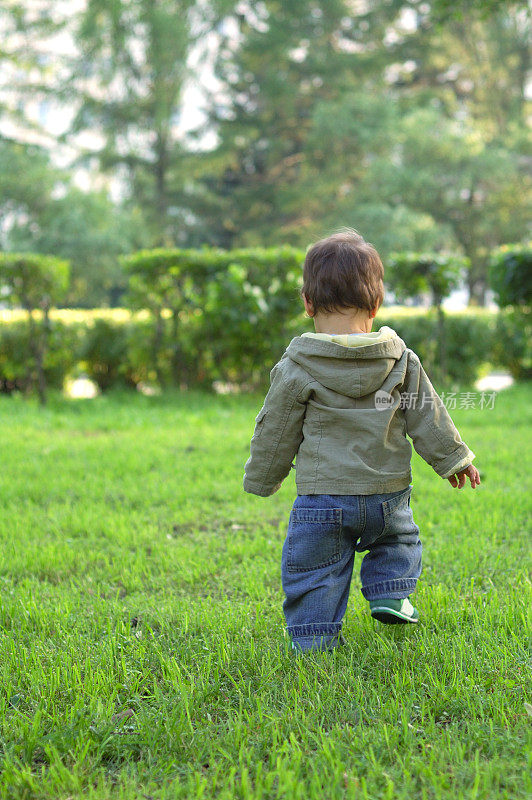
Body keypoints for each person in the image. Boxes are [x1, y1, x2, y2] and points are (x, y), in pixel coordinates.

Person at [243, 229, 481, 654]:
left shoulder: (297, 365)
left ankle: (315, 640)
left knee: (314, 569)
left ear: (307, 303)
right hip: (386, 495)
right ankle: (390, 591)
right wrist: (454, 459)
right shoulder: (401, 359)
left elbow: (275, 429)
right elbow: (428, 413)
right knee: (397, 541)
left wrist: (264, 478)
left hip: (323, 499)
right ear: (376, 303)